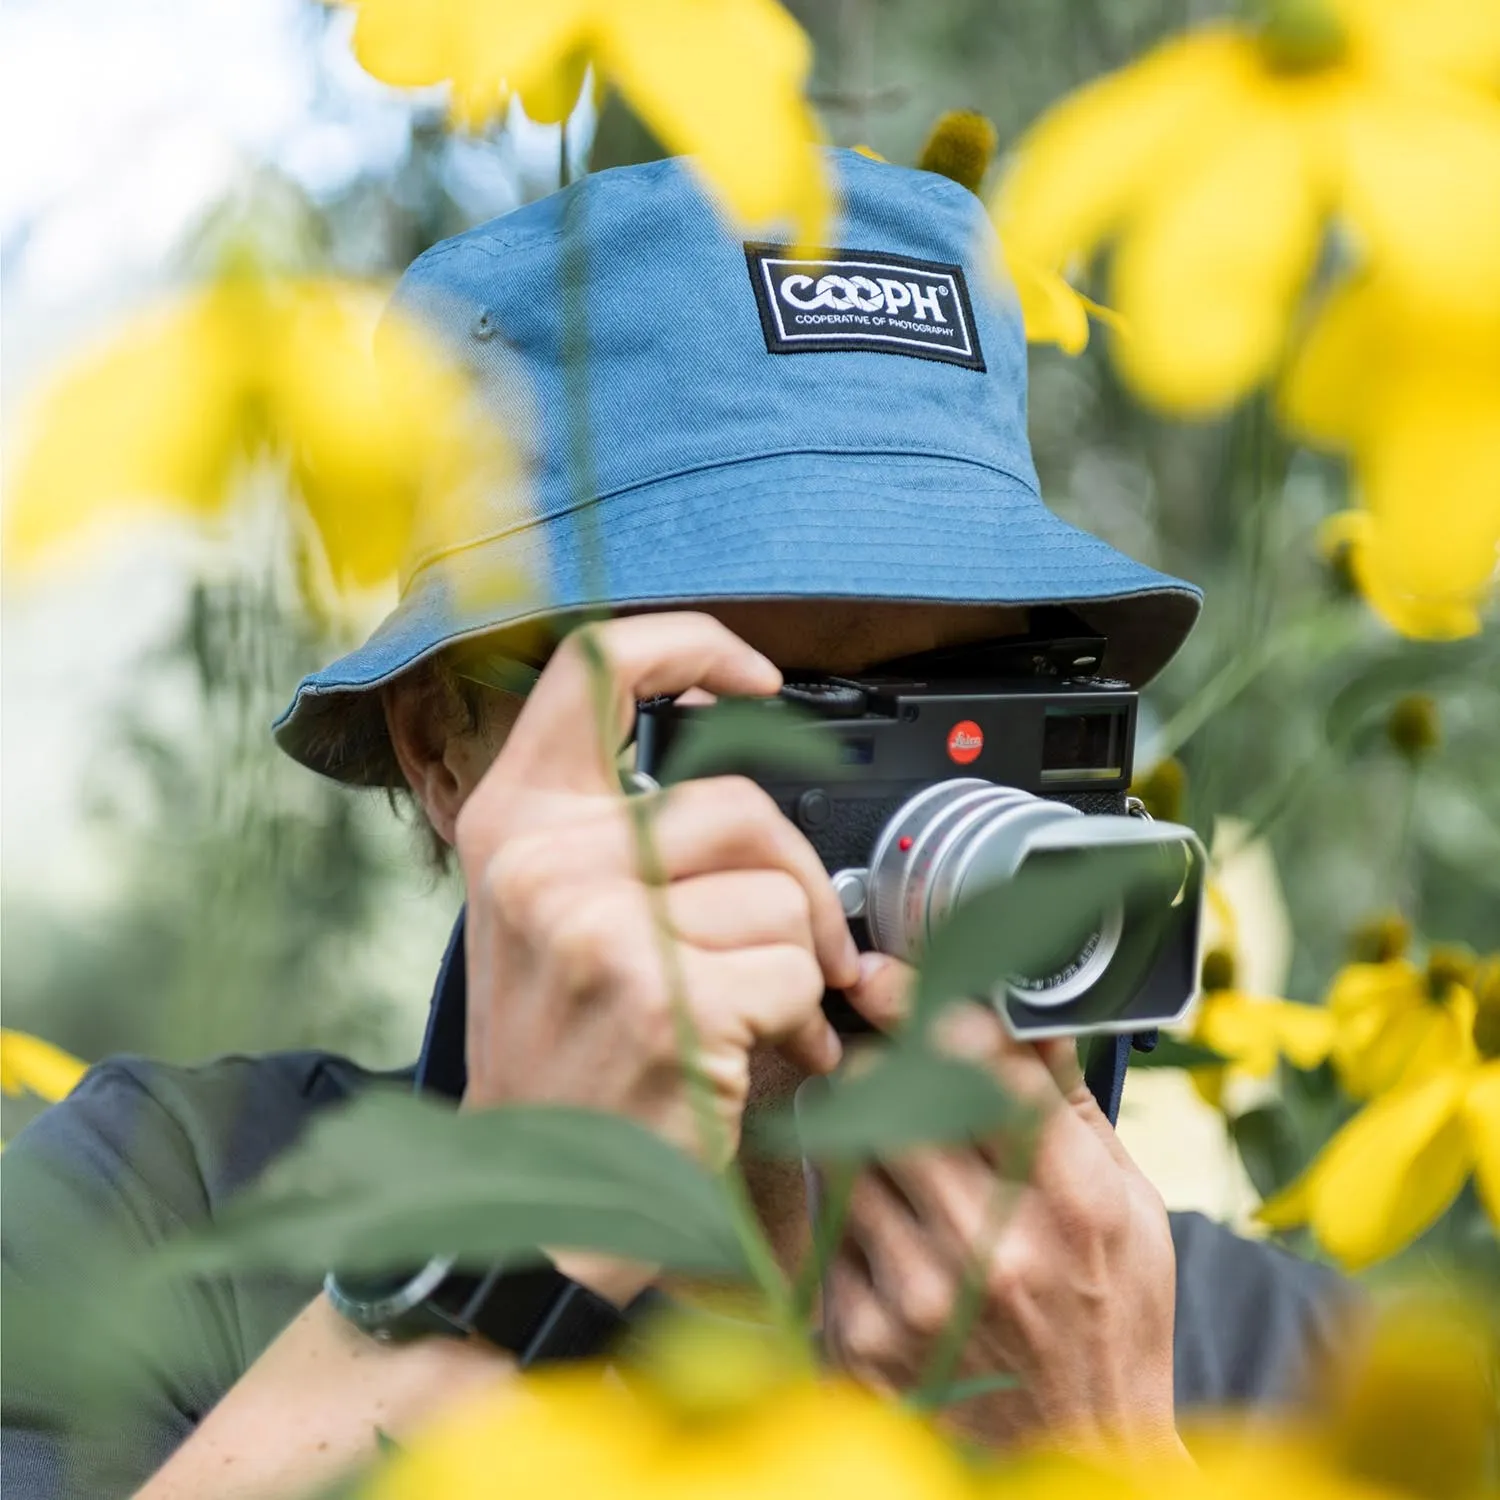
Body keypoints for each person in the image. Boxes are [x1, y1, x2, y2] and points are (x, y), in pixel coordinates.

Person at [1, 151, 1355, 1500]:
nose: (878, 836)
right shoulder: (160, 1222)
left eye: (962, 711)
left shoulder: (1280, 1372)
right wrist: (483, 1258)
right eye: (734, 718)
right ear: (443, 747)